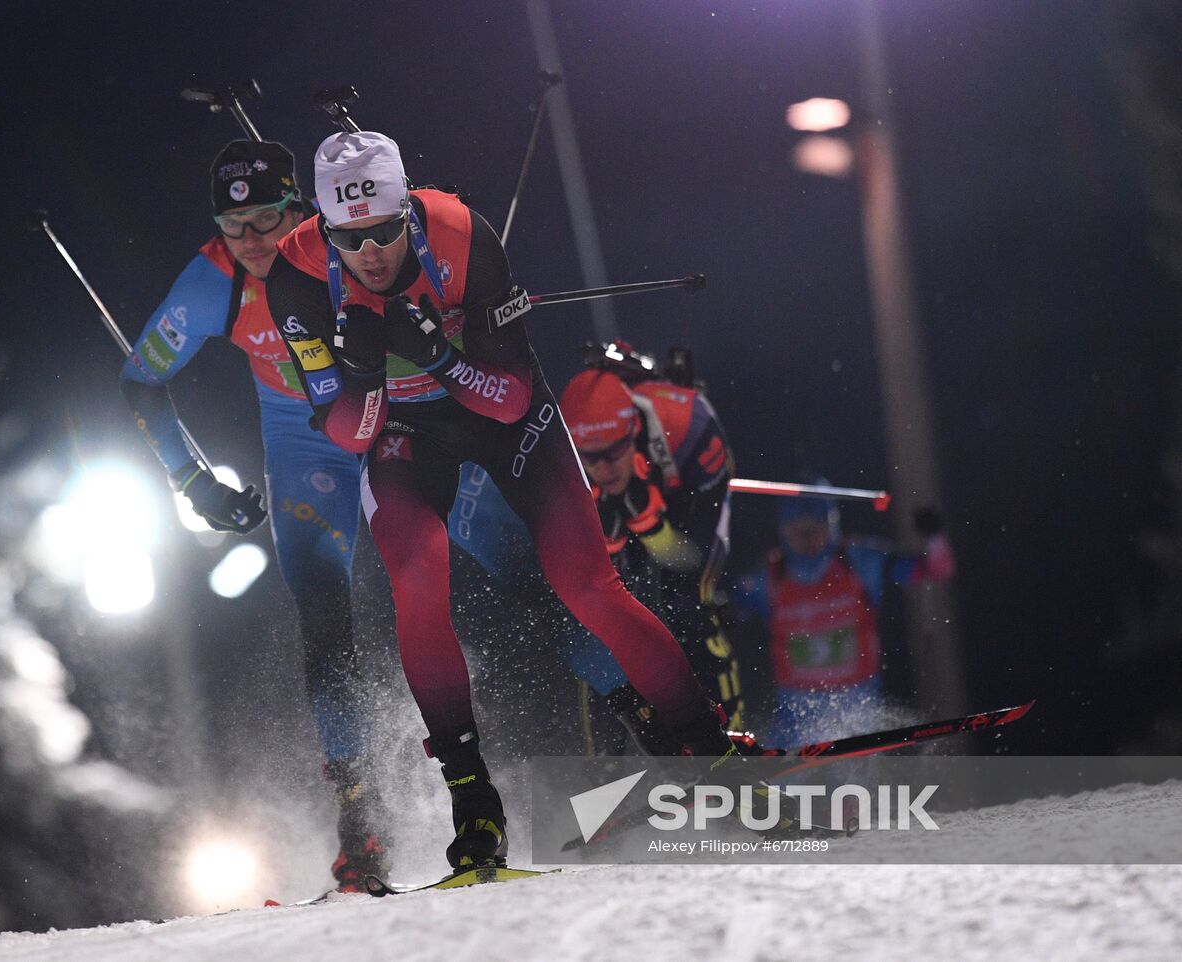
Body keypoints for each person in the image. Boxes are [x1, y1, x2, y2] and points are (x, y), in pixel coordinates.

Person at [265, 130, 743, 871]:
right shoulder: (296, 274)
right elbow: (349, 434)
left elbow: (511, 396)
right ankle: (473, 803)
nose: (370, 253)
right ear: (324, 227)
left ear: (409, 215)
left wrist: (438, 357)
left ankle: (709, 754)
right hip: (400, 430)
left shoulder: (459, 234)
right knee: (418, 579)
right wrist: (361, 373)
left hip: (499, 414)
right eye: (349, 238)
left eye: (386, 231)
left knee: (587, 584)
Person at [119, 139, 394, 891]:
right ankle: (361, 825)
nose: (253, 241)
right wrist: (194, 482)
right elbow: (139, 381)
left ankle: (667, 759)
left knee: (504, 569)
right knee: (324, 619)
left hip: (394, 427)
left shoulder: (345, 248)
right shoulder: (215, 279)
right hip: (308, 452)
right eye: (233, 224)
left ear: (300, 210)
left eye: (268, 219)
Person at [559, 360, 745, 753]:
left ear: (634, 432)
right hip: (612, 501)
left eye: (613, 452)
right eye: (590, 457)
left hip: (684, 486)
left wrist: (652, 528)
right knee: (603, 622)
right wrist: (614, 543)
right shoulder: (561, 462)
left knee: (689, 603)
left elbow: (691, 558)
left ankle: (734, 738)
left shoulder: (689, 426)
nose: (604, 467)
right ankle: (603, 769)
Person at [733, 490, 955, 748]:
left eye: (815, 529)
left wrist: (934, 537)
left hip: (855, 704)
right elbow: (728, 609)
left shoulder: (859, 560)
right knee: (776, 780)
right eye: (797, 530)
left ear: (831, 526)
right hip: (796, 710)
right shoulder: (770, 574)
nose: (807, 539)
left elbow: (937, 569)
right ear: (784, 531)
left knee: (854, 784)